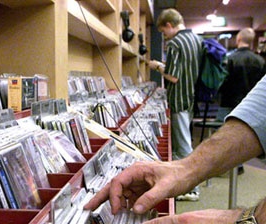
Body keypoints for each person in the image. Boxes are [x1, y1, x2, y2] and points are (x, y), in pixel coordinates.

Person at [84, 74, 266, 223]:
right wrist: (185, 169)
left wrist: (245, 220)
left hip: (180, 102)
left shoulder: (177, 45)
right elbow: (259, 112)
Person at [147, 8, 202, 201]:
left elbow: (173, 76)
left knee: (182, 146)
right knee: (185, 141)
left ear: (169, 25)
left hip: (178, 98)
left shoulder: (175, 43)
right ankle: (189, 186)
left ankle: (191, 189)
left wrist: (158, 66)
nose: (164, 35)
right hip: (190, 96)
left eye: (163, 31)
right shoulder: (195, 39)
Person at [216, 27, 266, 174]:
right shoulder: (260, 61)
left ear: (238, 39)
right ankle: (238, 164)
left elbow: (222, 82)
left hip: (229, 102)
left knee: (224, 136)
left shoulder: (230, 59)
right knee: (246, 136)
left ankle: (224, 165)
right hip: (252, 106)